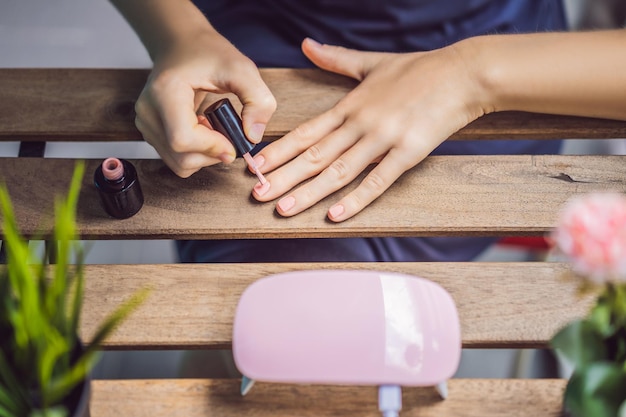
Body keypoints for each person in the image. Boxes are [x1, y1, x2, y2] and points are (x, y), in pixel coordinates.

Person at [111, 0, 626, 263]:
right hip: (262, 56)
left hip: (516, 71)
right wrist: (178, 34)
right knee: (272, 317)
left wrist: (471, 73)